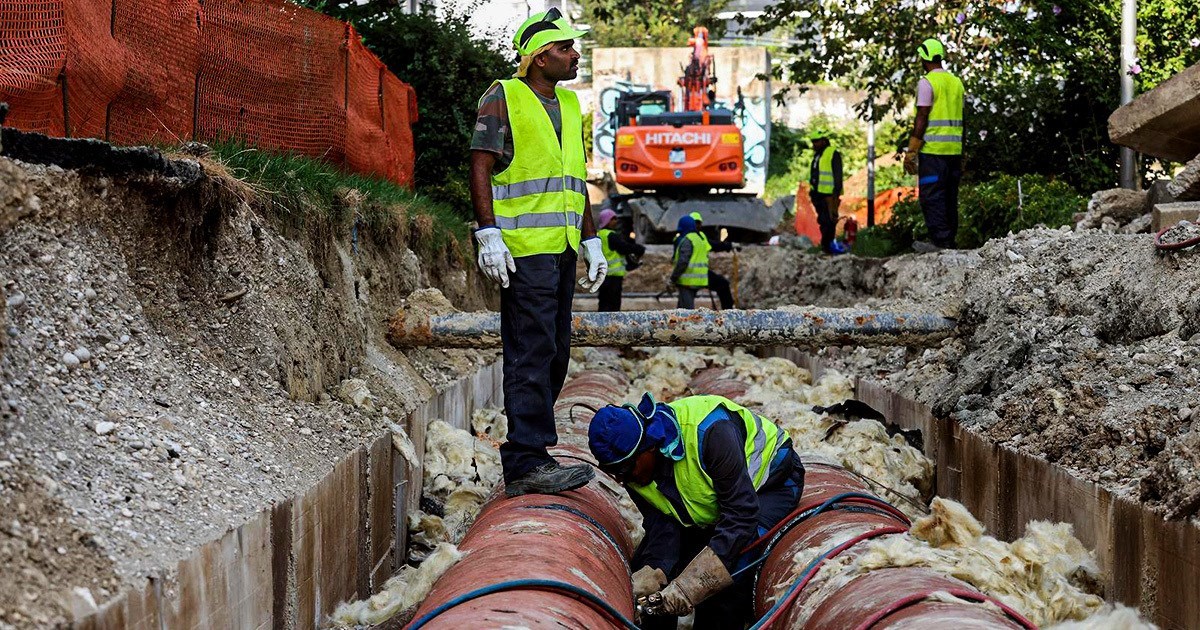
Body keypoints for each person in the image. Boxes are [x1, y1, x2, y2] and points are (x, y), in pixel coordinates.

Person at [469, 8, 606, 497]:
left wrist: (591, 237)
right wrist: (489, 232)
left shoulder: (569, 107)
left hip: (563, 247)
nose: (575, 56)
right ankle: (526, 461)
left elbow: (575, 180)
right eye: (567, 48)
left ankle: (534, 452)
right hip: (523, 250)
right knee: (530, 351)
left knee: (554, 352)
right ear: (539, 55)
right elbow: (481, 165)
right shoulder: (503, 96)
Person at [587, 393, 805, 629]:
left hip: (769, 486)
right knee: (652, 579)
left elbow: (740, 517)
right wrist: (657, 569)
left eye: (626, 469)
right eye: (614, 472)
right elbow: (661, 522)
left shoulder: (711, 433)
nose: (623, 478)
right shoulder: (633, 469)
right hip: (715, 504)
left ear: (648, 447)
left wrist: (691, 587)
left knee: (725, 585)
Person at [903, 37, 965, 253]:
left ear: (925, 58)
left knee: (932, 196)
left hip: (933, 151)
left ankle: (941, 242)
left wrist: (912, 149)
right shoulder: (956, 82)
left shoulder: (927, 82)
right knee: (949, 196)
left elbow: (922, 115)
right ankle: (949, 240)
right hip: (954, 151)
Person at [596, 208, 645, 312]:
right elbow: (624, 248)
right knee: (613, 305)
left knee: (604, 303)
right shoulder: (611, 235)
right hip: (613, 276)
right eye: (613, 219)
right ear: (607, 221)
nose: (616, 221)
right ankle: (612, 326)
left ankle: (601, 326)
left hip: (603, 276)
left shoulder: (600, 234)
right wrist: (639, 249)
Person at [807, 130, 844, 254]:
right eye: (813, 142)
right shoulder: (818, 155)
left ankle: (827, 247)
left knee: (828, 221)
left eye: (817, 141)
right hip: (818, 194)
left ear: (824, 141)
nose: (814, 144)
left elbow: (838, 175)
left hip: (829, 195)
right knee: (823, 221)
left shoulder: (832, 153)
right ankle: (826, 247)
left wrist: (835, 194)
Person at [688, 211, 734, 309]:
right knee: (723, 284)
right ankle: (728, 312)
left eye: (698, 223)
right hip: (696, 275)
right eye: (696, 223)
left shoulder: (699, 236)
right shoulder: (693, 237)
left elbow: (714, 245)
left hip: (695, 274)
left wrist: (728, 246)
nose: (697, 225)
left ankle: (727, 311)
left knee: (723, 284)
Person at [669, 215, 709, 309]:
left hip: (687, 280)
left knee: (687, 312)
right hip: (699, 279)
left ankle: (690, 323)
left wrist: (673, 278)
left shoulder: (688, 240)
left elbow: (683, 262)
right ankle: (678, 322)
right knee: (681, 309)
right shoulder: (700, 239)